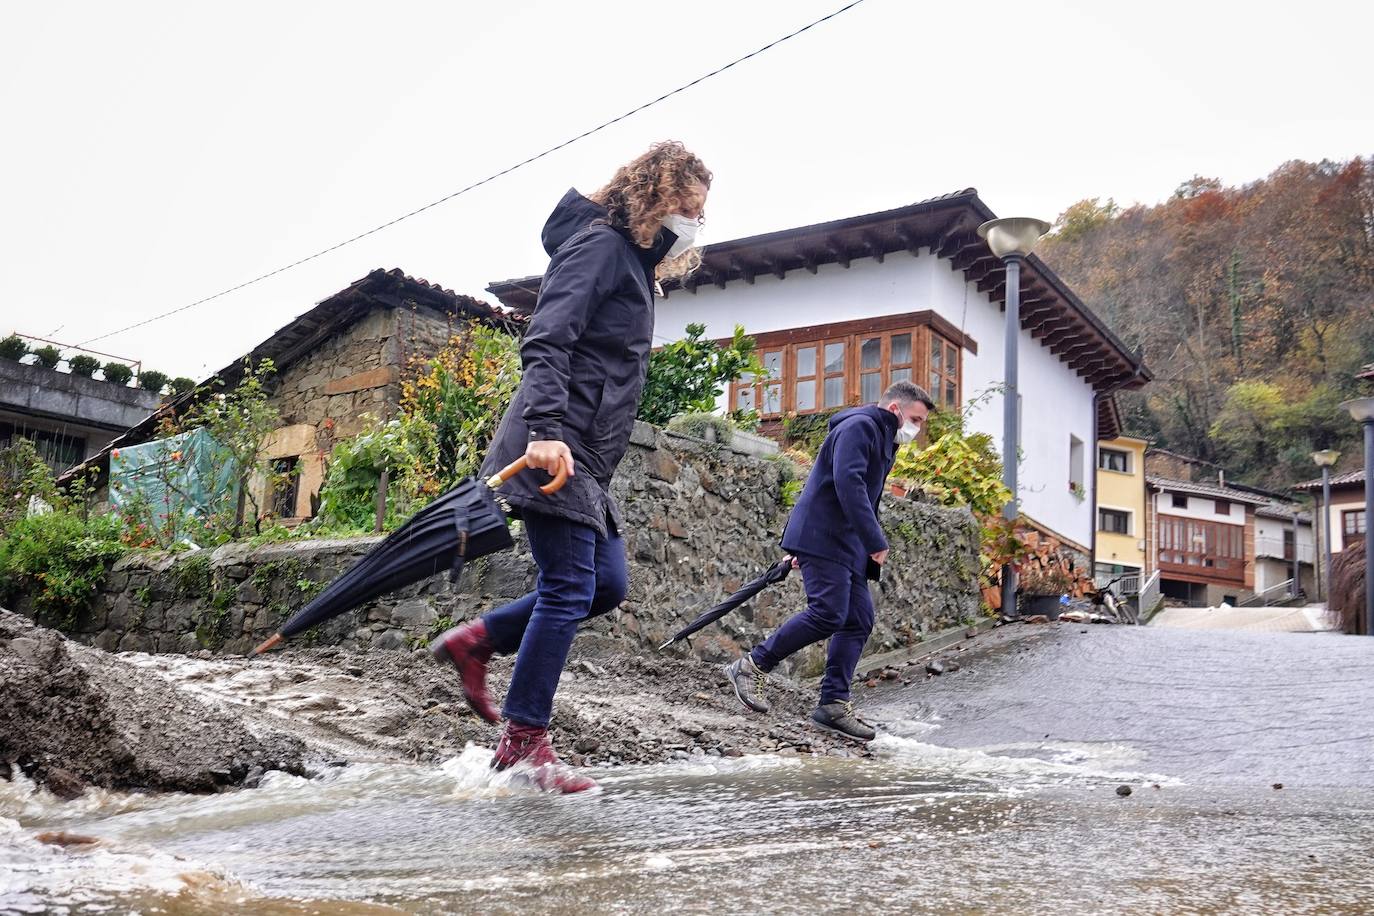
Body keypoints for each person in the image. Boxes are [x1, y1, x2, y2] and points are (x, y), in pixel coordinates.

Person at [430, 142, 712, 793]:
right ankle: (525, 740)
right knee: (567, 588)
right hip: (552, 449)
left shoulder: (635, 267)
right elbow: (548, 336)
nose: (692, 224)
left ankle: (477, 641)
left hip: (584, 457)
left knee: (605, 585)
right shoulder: (600, 247)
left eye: (700, 214)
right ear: (654, 198)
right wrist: (549, 432)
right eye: (686, 209)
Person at [723, 381, 934, 740]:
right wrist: (874, 539)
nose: (916, 428)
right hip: (825, 536)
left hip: (842, 543)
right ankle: (752, 665)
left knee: (858, 618)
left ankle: (833, 704)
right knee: (828, 612)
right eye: (915, 418)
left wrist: (863, 541)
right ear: (895, 409)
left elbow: (860, 492)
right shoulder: (861, 426)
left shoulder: (882, 437)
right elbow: (846, 483)